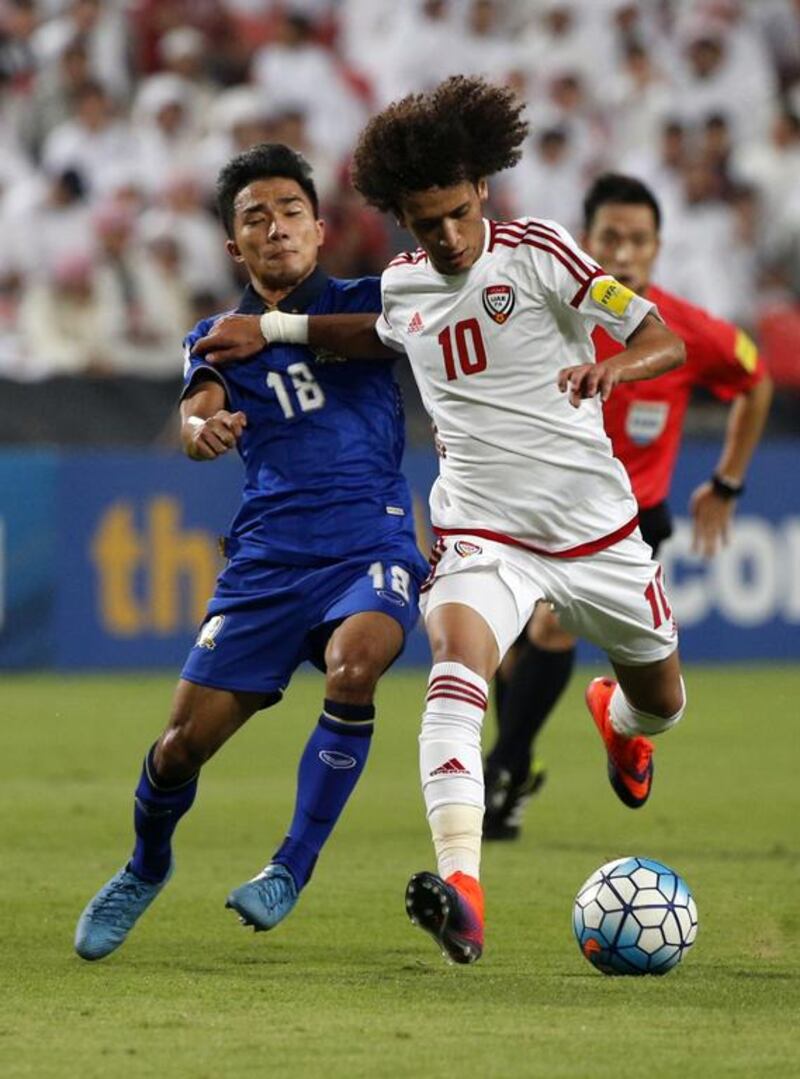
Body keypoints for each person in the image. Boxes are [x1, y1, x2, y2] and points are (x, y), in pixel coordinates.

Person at [193, 77, 687, 967]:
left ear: (483, 192)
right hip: (482, 535)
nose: (449, 238)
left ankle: (618, 720)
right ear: (405, 221)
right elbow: (367, 332)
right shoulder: (404, 284)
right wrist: (272, 329)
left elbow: (661, 335)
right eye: (428, 224)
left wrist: (618, 371)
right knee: (455, 675)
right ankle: (462, 891)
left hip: (599, 533)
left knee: (664, 703)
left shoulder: (542, 255)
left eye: (459, 214)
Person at [74, 143, 428, 961]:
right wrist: (204, 431)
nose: (276, 229)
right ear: (235, 246)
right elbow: (199, 405)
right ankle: (144, 864)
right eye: (255, 219)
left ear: (320, 225)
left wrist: (277, 327)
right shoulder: (218, 334)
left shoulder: (369, 299)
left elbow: (388, 338)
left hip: (369, 540)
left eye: (291, 212)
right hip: (267, 562)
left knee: (355, 666)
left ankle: (288, 868)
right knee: (177, 749)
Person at [483, 173, 773, 841]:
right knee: (510, 652)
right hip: (532, 508)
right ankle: (525, 766)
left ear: (657, 246)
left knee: (553, 628)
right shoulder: (546, 312)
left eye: (638, 240)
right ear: (586, 242)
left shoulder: (682, 330)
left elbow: (755, 384)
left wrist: (726, 482)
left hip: (627, 518)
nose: (623, 252)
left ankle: (502, 766)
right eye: (610, 237)